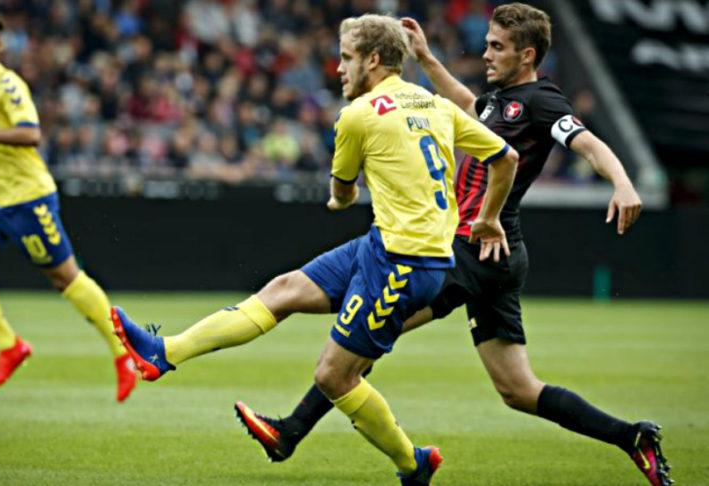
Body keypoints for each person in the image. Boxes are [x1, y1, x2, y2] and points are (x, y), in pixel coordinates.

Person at [234, 4, 674, 486]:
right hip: (497, 254)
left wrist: (622, 182)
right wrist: (426, 58)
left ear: (527, 55)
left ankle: (291, 432)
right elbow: (467, 104)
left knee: (364, 338)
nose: (486, 54)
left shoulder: (542, 100)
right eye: (487, 44)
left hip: (469, 248)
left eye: (497, 47)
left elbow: (586, 142)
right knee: (518, 390)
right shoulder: (501, 101)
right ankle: (631, 436)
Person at [111, 13, 518, 485]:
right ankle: (164, 352)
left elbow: (342, 195)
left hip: (404, 265)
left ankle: (413, 463)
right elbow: (505, 157)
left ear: (373, 60)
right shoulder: (435, 105)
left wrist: (340, 196)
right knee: (283, 289)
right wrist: (488, 217)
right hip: (385, 246)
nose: (339, 69)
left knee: (334, 377)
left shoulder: (359, 116)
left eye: (346, 58)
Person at [0, 10, 136, 402]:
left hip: (29, 199)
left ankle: (123, 354)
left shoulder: (8, 85)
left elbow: (31, 134)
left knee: (66, 279)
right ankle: (10, 345)